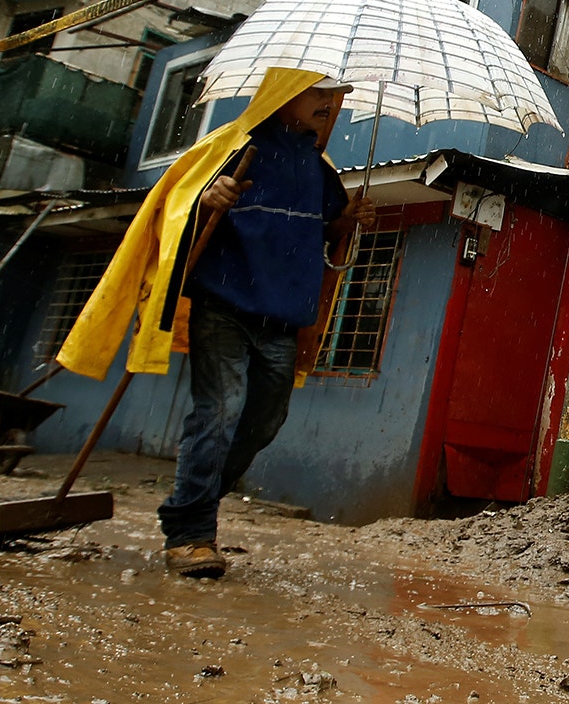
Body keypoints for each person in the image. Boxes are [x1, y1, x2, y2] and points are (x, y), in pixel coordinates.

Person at [57, 68, 375, 579]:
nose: (327, 102)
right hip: (223, 306)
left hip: (282, 319)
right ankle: (191, 533)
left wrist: (349, 219)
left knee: (264, 422)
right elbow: (182, 207)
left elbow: (329, 228)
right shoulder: (232, 149)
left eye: (332, 95)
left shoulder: (320, 169)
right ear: (282, 96)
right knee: (220, 411)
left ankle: (191, 501)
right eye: (316, 92)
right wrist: (208, 200)